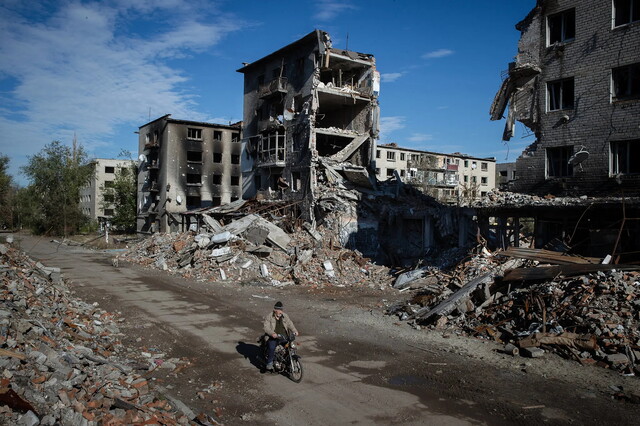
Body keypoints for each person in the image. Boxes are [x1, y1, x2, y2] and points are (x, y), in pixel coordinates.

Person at [263, 301, 298, 371]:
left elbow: (290, 323)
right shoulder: (269, 316)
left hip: (284, 336)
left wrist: (295, 330)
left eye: (281, 310)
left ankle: (288, 362)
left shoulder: (285, 316)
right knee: (272, 347)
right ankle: (269, 362)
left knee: (291, 347)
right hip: (273, 337)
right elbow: (266, 327)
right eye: (279, 310)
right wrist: (272, 333)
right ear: (275, 310)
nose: (280, 312)